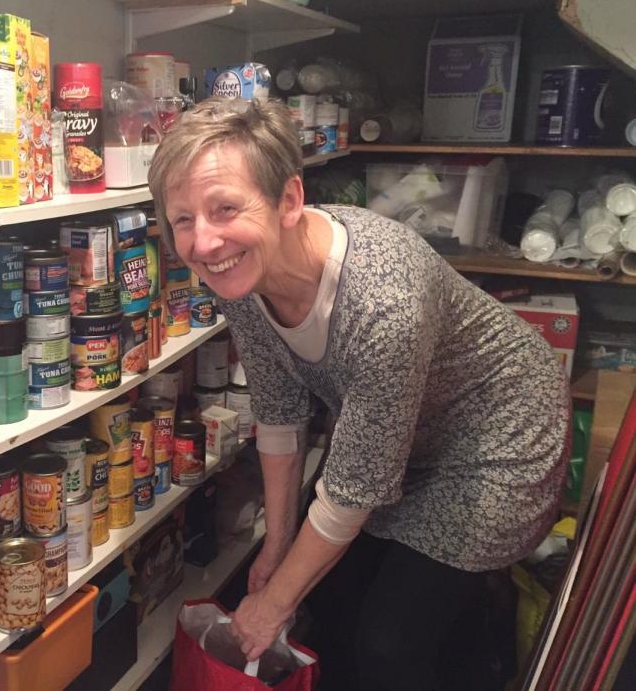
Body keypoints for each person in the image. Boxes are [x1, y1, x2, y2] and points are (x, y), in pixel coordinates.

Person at [148, 97, 569, 691]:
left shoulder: (383, 300)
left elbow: (353, 490)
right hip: (402, 437)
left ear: (288, 200)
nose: (205, 242)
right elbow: (279, 412)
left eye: (225, 209)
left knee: (390, 641)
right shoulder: (238, 273)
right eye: (183, 219)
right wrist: (277, 542)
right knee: (334, 605)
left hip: (499, 435)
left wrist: (272, 605)